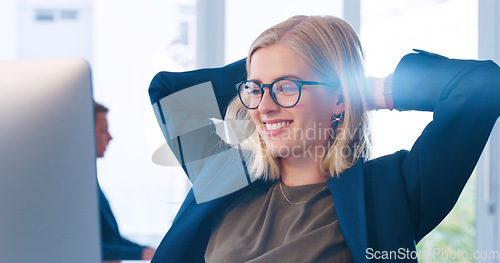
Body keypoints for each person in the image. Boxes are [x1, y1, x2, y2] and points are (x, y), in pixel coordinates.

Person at [150, 15, 500, 262]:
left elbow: (482, 86)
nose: (264, 107)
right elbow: (167, 90)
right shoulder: (223, 174)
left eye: (287, 87)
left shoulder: (391, 192)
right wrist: (266, 67)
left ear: (337, 96)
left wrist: (369, 91)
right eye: (255, 89)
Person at [94, 102, 156, 261]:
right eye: (103, 131)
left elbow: (112, 239)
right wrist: (142, 253)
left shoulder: (90, 183)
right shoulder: (76, 188)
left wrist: (149, 251)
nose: (110, 137)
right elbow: (88, 244)